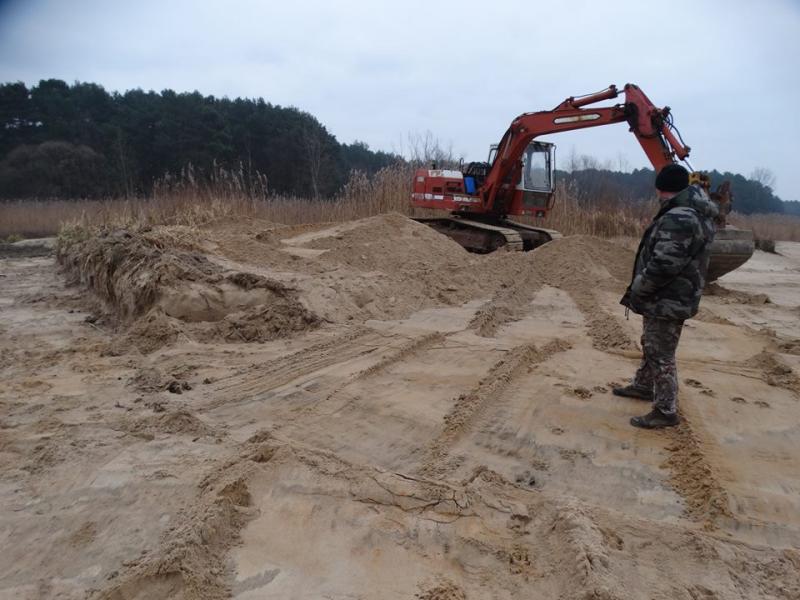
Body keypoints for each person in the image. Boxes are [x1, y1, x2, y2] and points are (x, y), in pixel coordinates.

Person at [615, 164, 719, 429]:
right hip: (670, 296)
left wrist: (639, 287)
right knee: (652, 343)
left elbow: (664, 264)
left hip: (668, 298)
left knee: (660, 352)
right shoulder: (692, 212)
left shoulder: (680, 217)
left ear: (662, 189)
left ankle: (665, 410)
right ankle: (643, 385)